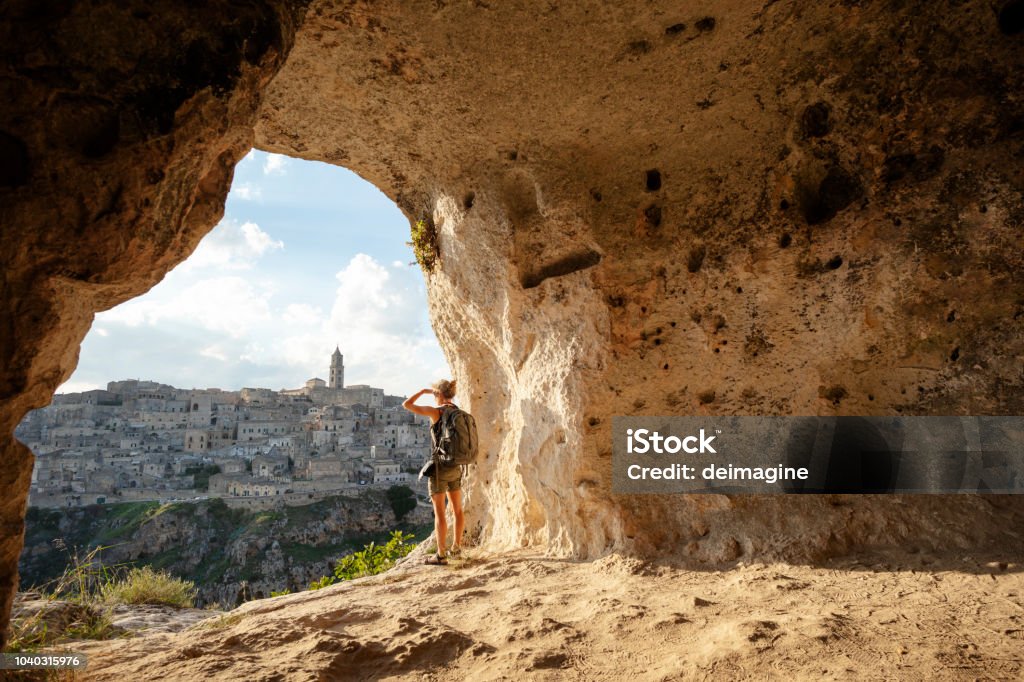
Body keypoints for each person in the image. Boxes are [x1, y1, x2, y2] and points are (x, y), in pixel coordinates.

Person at [402, 379, 465, 565]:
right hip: (456, 466)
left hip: (439, 468)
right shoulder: (458, 412)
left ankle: (441, 554)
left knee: (440, 513)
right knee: (458, 509)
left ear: (437, 394)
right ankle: (457, 548)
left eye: (435, 393)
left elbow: (406, 405)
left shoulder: (436, 412)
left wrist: (422, 391)